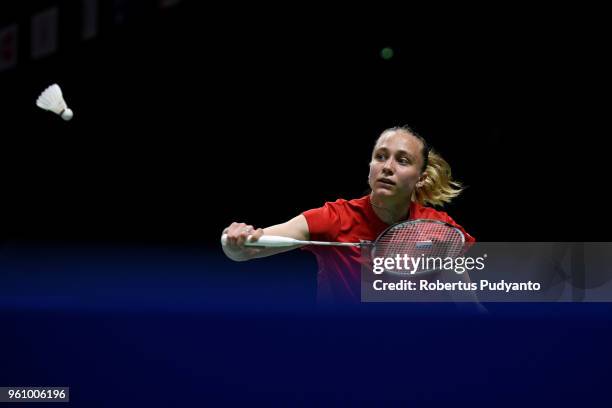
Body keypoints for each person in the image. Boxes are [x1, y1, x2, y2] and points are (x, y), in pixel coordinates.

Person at [221, 125, 475, 304]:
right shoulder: (335, 218)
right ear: (369, 168)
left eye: (403, 160)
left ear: (420, 179)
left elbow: (469, 306)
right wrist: (235, 242)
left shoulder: (439, 229)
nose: (387, 167)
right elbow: (248, 250)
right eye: (380, 157)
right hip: (341, 346)